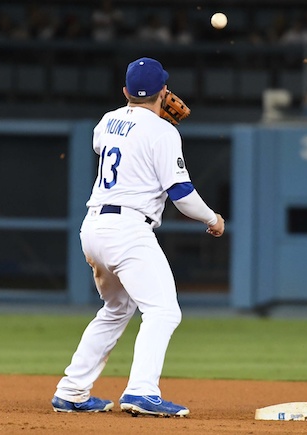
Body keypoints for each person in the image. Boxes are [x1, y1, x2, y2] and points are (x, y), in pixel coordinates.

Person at [51, 57, 225, 416]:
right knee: (163, 311)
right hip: (128, 231)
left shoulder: (107, 121)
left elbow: (106, 146)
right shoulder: (164, 132)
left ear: (126, 91)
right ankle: (141, 391)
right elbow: (181, 195)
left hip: (94, 228)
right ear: (165, 90)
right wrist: (213, 218)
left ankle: (71, 390)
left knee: (116, 309)